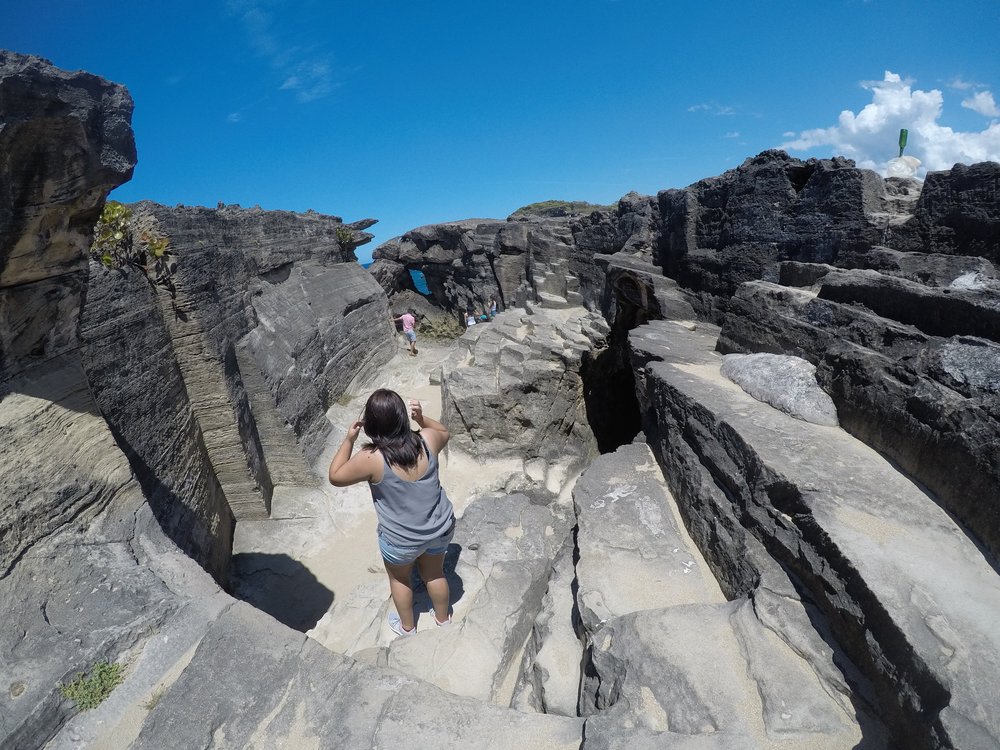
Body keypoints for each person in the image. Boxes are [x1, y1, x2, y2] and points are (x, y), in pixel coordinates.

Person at [328, 390, 455, 637]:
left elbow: (335, 476)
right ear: (402, 417)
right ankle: (443, 620)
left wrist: (349, 440)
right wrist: (421, 419)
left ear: (371, 424)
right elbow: (445, 432)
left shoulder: (372, 458)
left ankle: (408, 628)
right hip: (439, 527)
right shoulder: (428, 440)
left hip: (401, 541)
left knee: (400, 581)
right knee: (434, 574)